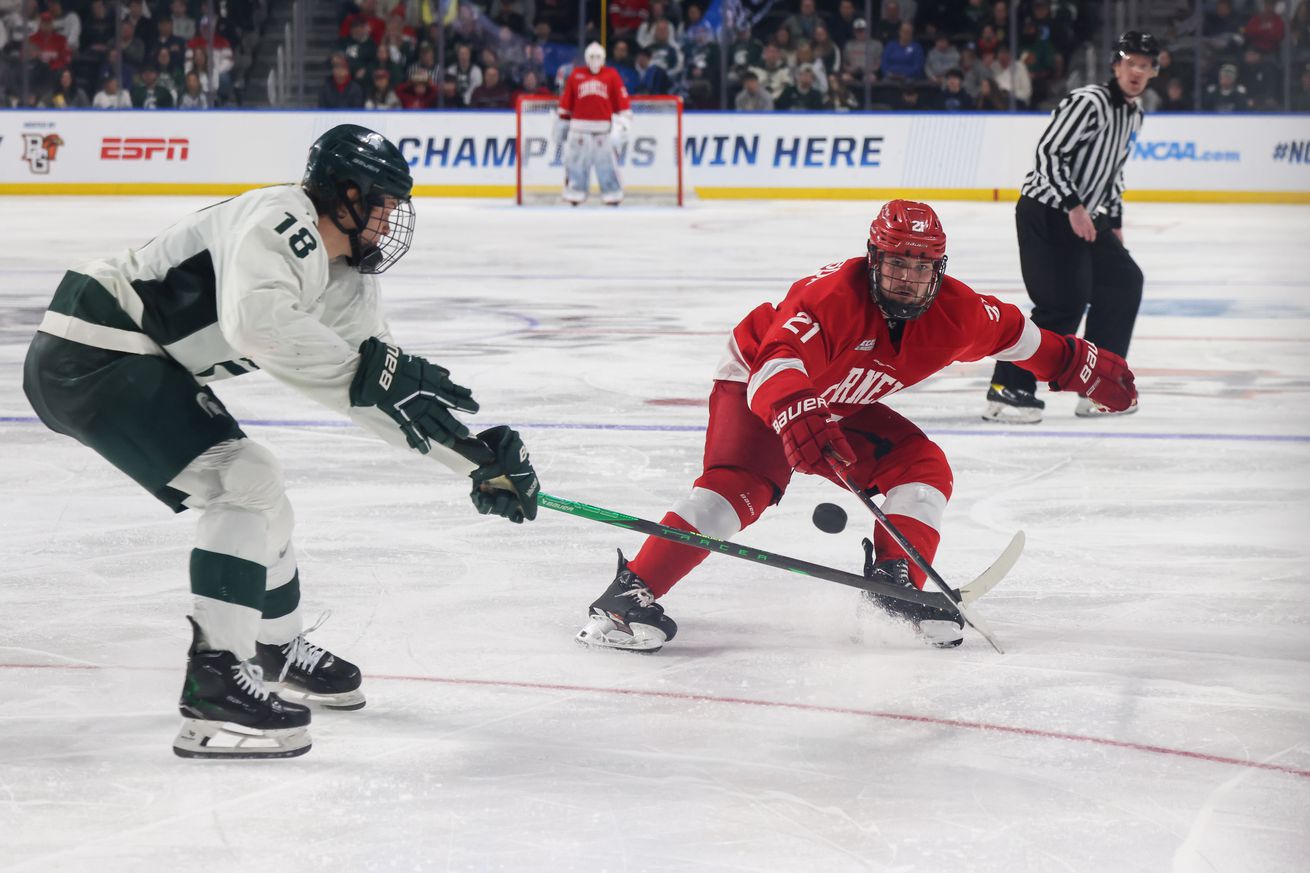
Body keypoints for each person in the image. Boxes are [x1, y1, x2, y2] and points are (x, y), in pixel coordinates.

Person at [22, 125, 541, 759]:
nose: (393, 221)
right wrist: (374, 380)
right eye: (385, 203)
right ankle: (215, 684)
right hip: (92, 346)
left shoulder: (347, 281)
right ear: (346, 195)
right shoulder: (282, 219)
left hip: (127, 356)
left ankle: (272, 648)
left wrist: (473, 459)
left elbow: (380, 394)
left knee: (263, 499)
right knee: (245, 480)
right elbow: (260, 326)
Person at [574, 200, 1136, 653]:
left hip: (839, 396)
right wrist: (795, 413)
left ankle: (894, 584)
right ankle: (627, 597)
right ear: (873, 259)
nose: (907, 279)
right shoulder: (831, 298)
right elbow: (777, 361)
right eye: (895, 263)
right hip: (759, 382)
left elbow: (1024, 339)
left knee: (921, 467)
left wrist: (1081, 367)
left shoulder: (960, 314)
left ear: (939, 270)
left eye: (921, 267)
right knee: (738, 489)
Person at [983, 31, 1157, 423]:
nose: (1137, 71)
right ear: (1117, 64)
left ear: (1153, 72)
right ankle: (1006, 390)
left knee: (1124, 282)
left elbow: (1111, 172)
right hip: (1046, 209)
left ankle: (1100, 387)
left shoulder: (1135, 113)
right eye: (1131, 62)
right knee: (1062, 303)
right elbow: (1049, 153)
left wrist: (1112, 222)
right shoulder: (1088, 102)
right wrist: (1074, 206)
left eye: (1145, 65)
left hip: (1084, 215)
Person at [556, 42, 633, 206]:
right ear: (586, 58)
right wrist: (562, 122)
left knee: (606, 162)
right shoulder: (576, 75)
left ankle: (612, 192)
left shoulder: (611, 75)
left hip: (603, 129)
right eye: (591, 57)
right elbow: (567, 102)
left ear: (604, 58)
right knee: (576, 162)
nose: (595, 60)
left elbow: (621, 100)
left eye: (598, 57)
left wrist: (623, 121)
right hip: (578, 127)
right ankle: (575, 191)